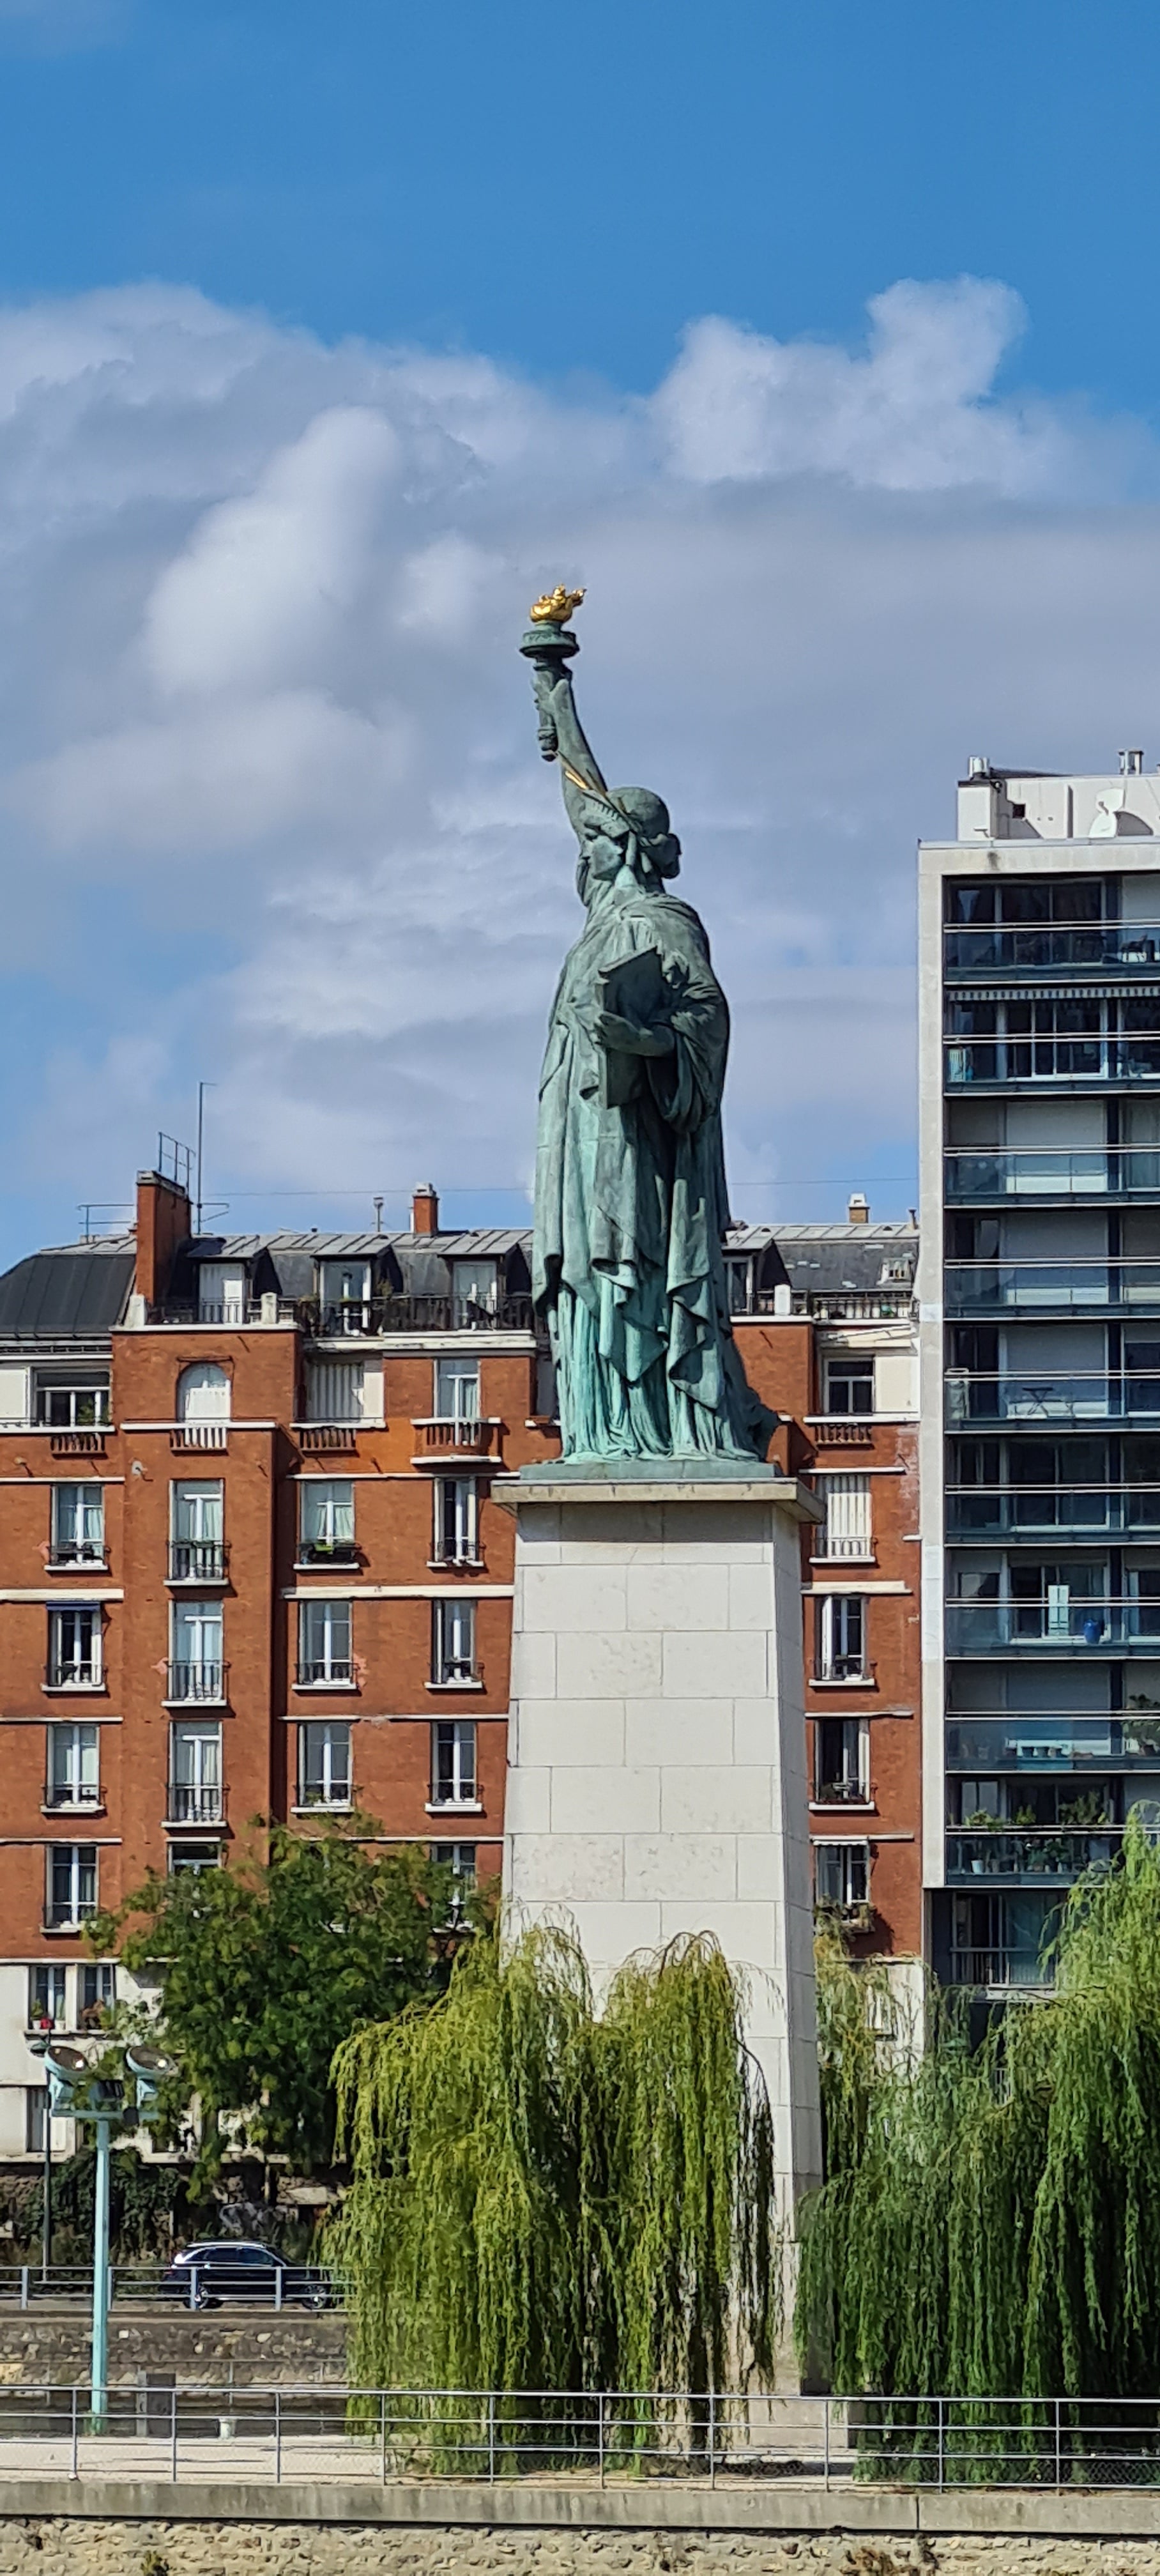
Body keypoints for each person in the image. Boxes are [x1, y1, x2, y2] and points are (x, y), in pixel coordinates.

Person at [526, 634, 775, 1463]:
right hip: (582, 1134)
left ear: (627, 848)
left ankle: (652, 1430)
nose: (582, 854)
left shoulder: (656, 924)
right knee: (592, 1282)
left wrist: (645, 1038)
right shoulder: (603, 920)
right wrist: (553, 693)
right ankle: (602, 1434)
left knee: (626, 1268)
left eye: (595, 843)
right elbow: (583, 797)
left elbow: (706, 1017)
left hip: (636, 1142)